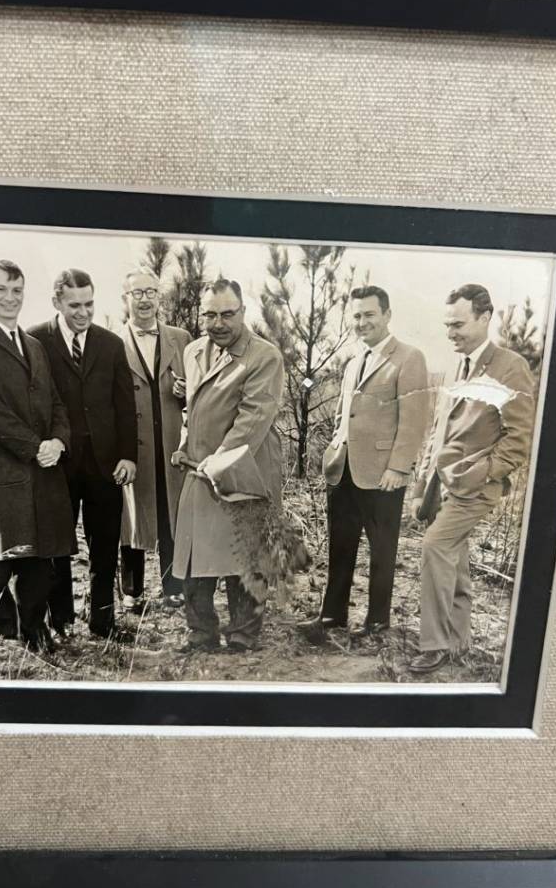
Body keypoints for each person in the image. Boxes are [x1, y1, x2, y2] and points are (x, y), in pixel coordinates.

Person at [408, 283, 535, 673]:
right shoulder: (456, 365)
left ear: (485, 318)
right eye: (447, 326)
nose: (451, 334)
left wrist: (483, 474)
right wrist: (420, 487)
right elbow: (438, 430)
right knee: (455, 560)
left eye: (459, 324)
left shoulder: (510, 366)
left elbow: (519, 437)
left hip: (475, 486)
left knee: (435, 546)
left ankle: (434, 646)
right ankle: (459, 642)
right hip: (442, 484)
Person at [0, 259, 75, 651]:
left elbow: (56, 403)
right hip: (2, 466)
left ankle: (34, 632)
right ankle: (7, 632)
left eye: (16, 290)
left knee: (41, 556)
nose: (10, 297)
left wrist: (58, 441)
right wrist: (34, 446)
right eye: (1, 289)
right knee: (3, 555)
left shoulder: (34, 345)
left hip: (43, 464)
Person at [300, 285, 429, 644]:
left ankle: (377, 623)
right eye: (356, 315)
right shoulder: (354, 361)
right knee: (340, 545)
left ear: (387, 315)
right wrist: (334, 448)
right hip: (344, 471)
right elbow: (346, 414)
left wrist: (399, 467)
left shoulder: (408, 357)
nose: (362, 322)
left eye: (369, 314)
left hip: (383, 475)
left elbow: (414, 420)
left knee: (382, 549)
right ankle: (332, 616)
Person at [170, 279, 285, 652]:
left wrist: (214, 463)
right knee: (193, 555)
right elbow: (194, 410)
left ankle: (243, 635)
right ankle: (201, 634)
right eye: (210, 314)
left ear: (243, 313)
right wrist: (185, 445)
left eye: (227, 314)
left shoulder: (264, 356)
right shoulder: (192, 351)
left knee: (246, 556)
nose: (218, 323)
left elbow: (252, 420)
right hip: (199, 468)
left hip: (244, 469)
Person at [28, 269, 137, 641]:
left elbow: (125, 405)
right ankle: (61, 622)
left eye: (89, 303)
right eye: (74, 305)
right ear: (56, 302)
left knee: (104, 545)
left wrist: (128, 456)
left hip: (105, 464)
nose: (83, 312)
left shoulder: (110, 344)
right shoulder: (34, 340)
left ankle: (103, 622)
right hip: (57, 464)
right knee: (57, 545)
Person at [119, 270, 191, 612]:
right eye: (137, 293)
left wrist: (186, 393)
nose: (145, 299)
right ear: (125, 299)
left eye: (150, 292)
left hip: (172, 444)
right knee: (131, 515)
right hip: (133, 446)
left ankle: (174, 587)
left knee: (171, 513)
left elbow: (198, 390)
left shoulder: (182, 337)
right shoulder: (112, 341)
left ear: (159, 297)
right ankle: (132, 592)